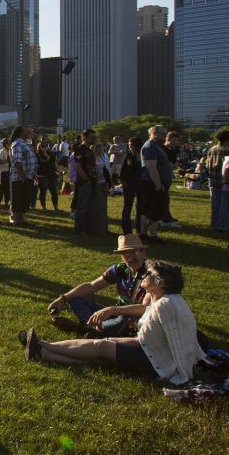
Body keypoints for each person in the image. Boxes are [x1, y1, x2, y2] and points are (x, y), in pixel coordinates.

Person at [21, 260, 204, 386]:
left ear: (159, 282)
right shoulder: (165, 299)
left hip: (161, 365)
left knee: (101, 347)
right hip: (155, 354)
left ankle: (43, 346)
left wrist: (114, 339)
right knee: (101, 349)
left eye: (149, 274)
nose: (145, 276)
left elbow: (144, 342)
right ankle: (44, 352)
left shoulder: (164, 305)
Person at [47, 234, 149, 337]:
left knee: (125, 321)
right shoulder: (119, 269)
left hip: (136, 318)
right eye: (125, 253)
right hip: (116, 314)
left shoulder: (153, 273)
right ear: (121, 257)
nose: (131, 256)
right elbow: (92, 286)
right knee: (75, 299)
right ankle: (94, 328)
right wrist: (63, 299)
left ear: (143, 252)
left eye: (134, 251)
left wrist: (112, 310)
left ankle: (86, 329)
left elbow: (147, 308)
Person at [137, 126, 172, 245]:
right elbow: (151, 167)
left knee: (150, 210)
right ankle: (150, 235)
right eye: (163, 134)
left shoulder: (156, 146)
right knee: (153, 211)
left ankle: (146, 234)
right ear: (154, 133)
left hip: (153, 183)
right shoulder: (151, 146)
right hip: (152, 183)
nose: (165, 136)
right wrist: (158, 185)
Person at [204, 130, 229, 232]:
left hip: (213, 179)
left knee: (215, 205)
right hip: (225, 181)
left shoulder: (211, 149)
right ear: (227, 139)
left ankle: (214, 225)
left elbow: (207, 164)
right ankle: (222, 226)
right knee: (224, 206)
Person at [9, 127, 36, 226]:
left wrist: (34, 139)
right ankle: (16, 219)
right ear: (21, 133)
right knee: (18, 198)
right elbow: (17, 162)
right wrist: (23, 177)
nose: (28, 132)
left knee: (25, 198)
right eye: (26, 131)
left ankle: (21, 218)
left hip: (27, 176)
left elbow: (34, 152)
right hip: (19, 178)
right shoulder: (17, 144)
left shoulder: (24, 143)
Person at [119, 138, 142, 234]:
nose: (129, 146)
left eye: (131, 145)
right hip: (128, 184)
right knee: (128, 206)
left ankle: (140, 229)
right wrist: (122, 180)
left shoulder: (143, 156)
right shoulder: (128, 156)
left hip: (141, 184)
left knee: (140, 208)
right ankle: (127, 230)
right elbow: (123, 169)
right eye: (129, 145)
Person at [35, 141, 60, 213]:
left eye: (46, 146)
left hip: (52, 175)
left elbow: (55, 164)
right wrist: (35, 175)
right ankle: (44, 207)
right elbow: (35, 166)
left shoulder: (51, 154)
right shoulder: (37, 155)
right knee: (43, 191)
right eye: (43, 146)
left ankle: (55, 207)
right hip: (42, 176)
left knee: (54, 192)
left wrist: (59, 172)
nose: (44, 148)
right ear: (39, 147)